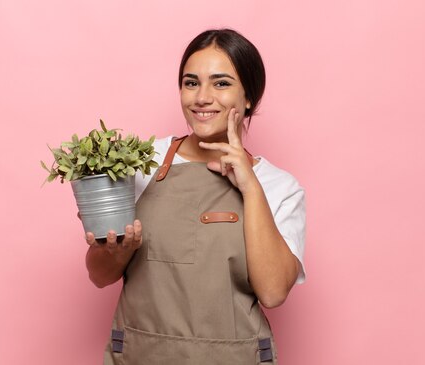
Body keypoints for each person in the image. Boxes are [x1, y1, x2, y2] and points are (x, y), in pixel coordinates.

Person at [83, 28, 306, 365]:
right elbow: (100, 275)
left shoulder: (277, 186)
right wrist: (116, 251)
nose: (202, 97)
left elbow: (274, 293)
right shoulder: (142, 163)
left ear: (248, 97)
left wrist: (250, 188)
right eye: (191, 83)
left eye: (221, 83)